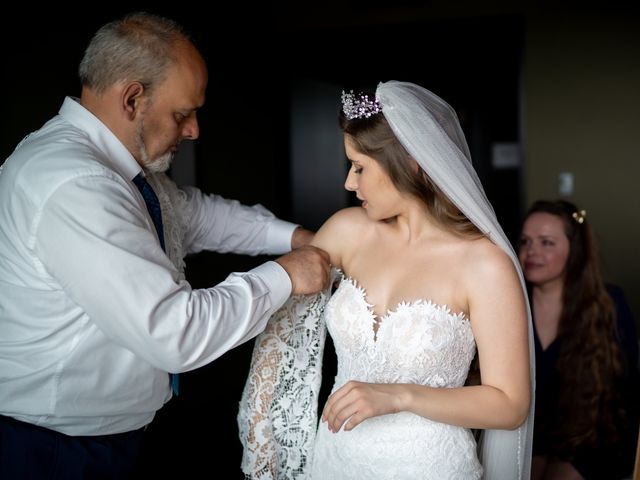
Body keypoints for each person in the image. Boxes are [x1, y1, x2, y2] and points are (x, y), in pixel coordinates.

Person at [0, 12, 331, 479]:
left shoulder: (120, 169)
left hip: (109, 438)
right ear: (132, 98)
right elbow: (175, 332)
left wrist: (298, 237)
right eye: (183, 113)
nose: (194, 129)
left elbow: (193, 214)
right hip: (53, 452)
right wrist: (284, 275)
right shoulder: (74, 184)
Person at [238, 80, 536, 479]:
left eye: (359, 167)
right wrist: (264, 443)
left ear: (411, 162)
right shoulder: (347, 232)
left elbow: (510, 404)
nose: (348, 182)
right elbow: (280, 330)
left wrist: (399, 396)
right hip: (335, 459)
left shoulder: (484, 265)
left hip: (428, 466)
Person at [518, 199, 640, 480]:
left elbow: (626, 395)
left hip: (591, 438)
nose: (531, 251)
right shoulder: (510, 304)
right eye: (525, 241)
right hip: (531, 437)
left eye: (546, 242)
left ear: (575, 251)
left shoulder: (609, 304)